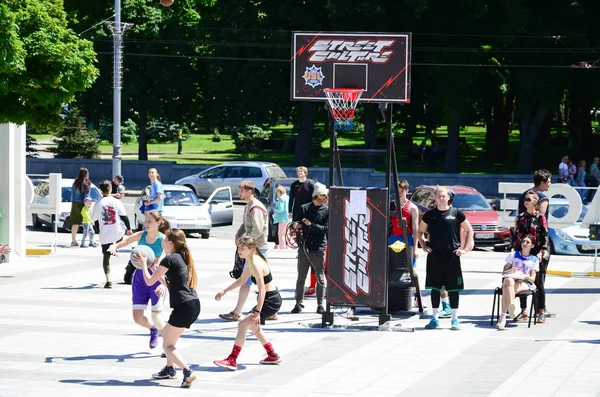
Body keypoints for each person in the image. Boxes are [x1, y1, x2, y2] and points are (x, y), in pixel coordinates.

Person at [135, 228, 200, 388]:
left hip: (183, 307)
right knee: (170, 340)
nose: (162, 241)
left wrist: (143, 265)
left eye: (164, 239)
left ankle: (187, 371)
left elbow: (150, 282)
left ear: (170, 243)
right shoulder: (182, 257)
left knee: (167, 345)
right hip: (193, 304)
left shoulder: (169, 259)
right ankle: (169, 369)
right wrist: (157, 276)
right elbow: (170, 282)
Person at [214, 236, 282, 371]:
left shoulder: (256, 263)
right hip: (269, 299)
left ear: (251, 249)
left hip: (270, 300)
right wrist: (224, 291)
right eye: (239, 247)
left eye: (242, 248)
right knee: (255, 328)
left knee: (242, 325)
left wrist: (257, 312)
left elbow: (262, 289)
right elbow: (241, 280)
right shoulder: (250, 261)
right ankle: (272, 355)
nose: (239, 251)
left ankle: (232, 359)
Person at [108, 210, 171, 349]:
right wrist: (114, 246)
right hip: (140, 278)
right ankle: (153, 329)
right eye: (146, 221)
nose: (146, 224)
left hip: (156, 277)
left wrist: (164, 285)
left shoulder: (163, 239)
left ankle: (168, 344)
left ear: (159, 223)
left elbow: (169, 262)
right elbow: (126, 241)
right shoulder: (141, 235)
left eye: (150, 221)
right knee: (137, 317)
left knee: (157, 316)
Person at [417, 186, 474, 331]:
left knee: (453, 289)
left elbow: (469, 230)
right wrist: (423, 245)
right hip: (435, 255)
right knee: (435, 288)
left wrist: (464, 249)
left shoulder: (456, 213)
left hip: (452, 256)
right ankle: (434, 318)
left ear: (449, 197)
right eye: (439, 196)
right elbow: (420, 231)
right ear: (435, 198)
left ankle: (455, 319)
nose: (441, 198)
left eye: (444, 196)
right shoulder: (429, 215)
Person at [219, 180, 269, 322]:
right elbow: (245, 225)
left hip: (257, 249)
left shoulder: (256, 208)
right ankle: (238, 312)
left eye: (241, 191)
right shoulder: (249, 206)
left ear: (249, 192)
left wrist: (243, 243)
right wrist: (238, 234)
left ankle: (266, 310)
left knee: (260, 282)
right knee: (249, 281)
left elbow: (257, 230)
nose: (239, 193)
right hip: (251, 249)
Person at [516, 169, 553, 320]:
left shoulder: (523, 195)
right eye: (549, 181)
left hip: (535, 248)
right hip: (529, 247)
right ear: (542, 182)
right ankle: (531, 311)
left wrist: (540, 250)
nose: (550, 184)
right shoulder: (542, 198)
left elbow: (543, 230)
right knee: (528, 278)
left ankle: (536, 311)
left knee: (533, 279)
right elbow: (521, 228)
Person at [291, 183, 329, 314]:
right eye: (319, 199)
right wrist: (295, 225)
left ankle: (320, 305)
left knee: (320, 277)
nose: (322, 201)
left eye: (324, 199)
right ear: (314, 197)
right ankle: (298, 303)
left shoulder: (326, 210)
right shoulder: (304, 208)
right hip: (304, 246)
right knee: (301, 276)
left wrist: (311, 225)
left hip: (319, 247)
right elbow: (293, 224)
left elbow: (325, 229)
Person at [92, 180, 133, 289]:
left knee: (106, 258)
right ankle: (115, 248)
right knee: (119, 239)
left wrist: (98, 231)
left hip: (105, 234)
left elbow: (95, 221)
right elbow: (124, 217)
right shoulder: (117, 202)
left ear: (101, 190)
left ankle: (108, 280)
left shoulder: (97, 204)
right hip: (117, 232)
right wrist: (128, 229)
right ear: (110, 189)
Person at [389, 180, 421, 308]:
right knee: (390, 266)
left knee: (410, 268)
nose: (400, 193)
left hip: (406, 238)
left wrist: (415, 248)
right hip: (393, 238)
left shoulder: (412, 208)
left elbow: (415, 228)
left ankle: (416, 296)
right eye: (398, 190)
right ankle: (388, 294)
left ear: (407, 191)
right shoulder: (391, 205)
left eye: (402, 190)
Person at [496, 235, 539, 330]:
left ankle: (502, 318)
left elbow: (533, 279)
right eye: (524, 241)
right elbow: (504, 272)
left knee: (506, 290)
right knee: (508, 281)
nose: (525, 244)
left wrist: (526, 277)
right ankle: (511, 306)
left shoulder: (534, 259)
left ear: (532, 245)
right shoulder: (514, 255)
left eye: (527, 242)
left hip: (525, 282)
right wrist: (510, 271)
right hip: (512, 280)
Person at [70, 167, 91, 247]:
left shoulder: (75, 182)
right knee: (87, 222)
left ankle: (73, 241)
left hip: (75, 204)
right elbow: (87, 195)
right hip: (83, 204)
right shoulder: (87, 183)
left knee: (75, 223)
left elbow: (72, 193)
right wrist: (88, 205)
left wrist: (72, 202)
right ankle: (91, 240)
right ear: (86, 174)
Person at [273, 185, 289, 250]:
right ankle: (287, 247)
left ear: (279, 192)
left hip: (282, 218)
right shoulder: (288, 197)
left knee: (281, 234)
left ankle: (282, 248)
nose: (277, 194)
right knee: (286, 234)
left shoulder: (281, 199)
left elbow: (280, 209)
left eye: (277, 193)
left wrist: (275, 209)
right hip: (288, 218)